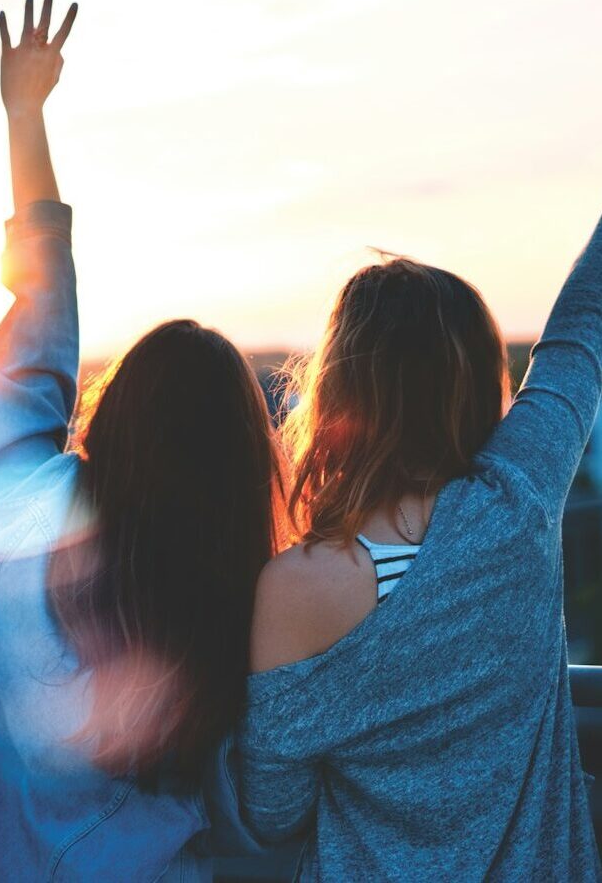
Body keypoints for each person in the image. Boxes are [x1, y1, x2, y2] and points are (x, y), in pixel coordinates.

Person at [0, 0, 283, 881]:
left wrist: (23, 114)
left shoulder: (24, 509)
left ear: (114, 413)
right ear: (239, 462)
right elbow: (255, 812)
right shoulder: (236, 596)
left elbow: (39, 320)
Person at [240, 255, 602, 879]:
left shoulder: (295, 587)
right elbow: (579, 336)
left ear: (338, 389)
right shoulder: (519, 499)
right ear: (477, 382)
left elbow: (273, 812)